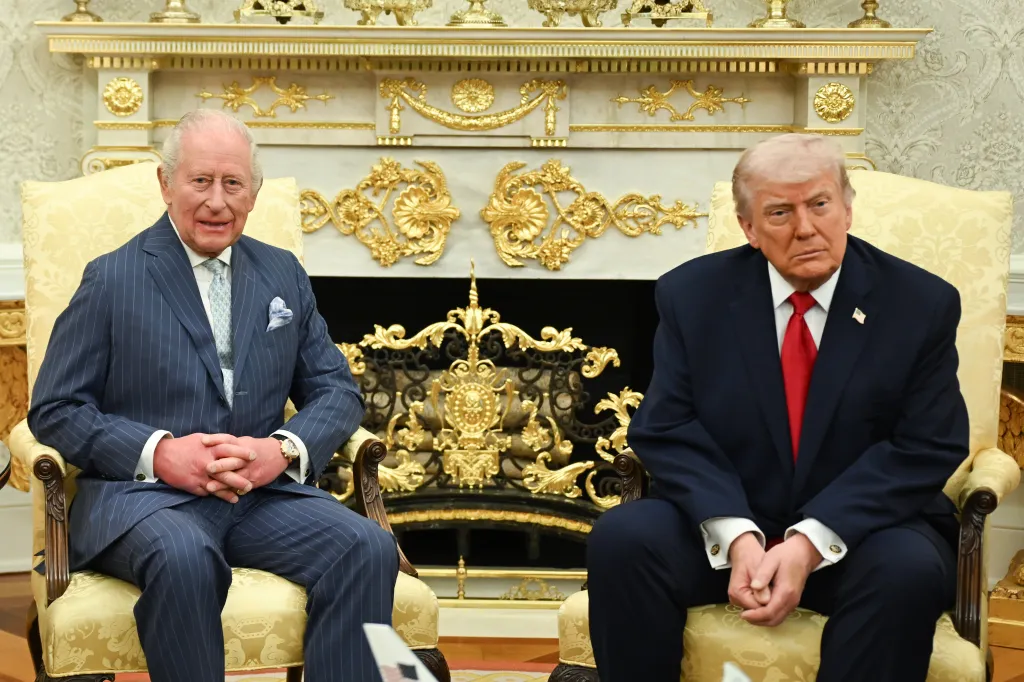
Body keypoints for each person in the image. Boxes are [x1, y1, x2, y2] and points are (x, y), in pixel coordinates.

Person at [28, 109, 398, 682]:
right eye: (201, 181)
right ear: (166, 184)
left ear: (253, 194)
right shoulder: (112, 278)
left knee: (367, 548)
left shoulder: (283, 274)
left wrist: (284, 448)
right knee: (185, 556)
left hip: (259, 496)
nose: (217, 202)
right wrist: (160, 452)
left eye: (233, 184)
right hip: (145, 500)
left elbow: (336, 391)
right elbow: (55, 408)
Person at [586, 133, 967, 681]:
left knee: (907, 571)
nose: (806, 228)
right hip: (729, 523)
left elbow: (927, 444)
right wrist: (736, 534)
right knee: (623, 539)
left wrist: (811, 540)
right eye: (780, 212)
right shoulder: (691, 295)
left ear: (848, 207)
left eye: (820, 204)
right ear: (749, 228)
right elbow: (667, 427)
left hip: (864, 532)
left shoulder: (920, 303)